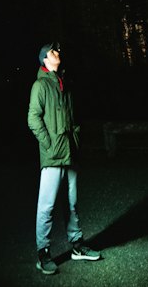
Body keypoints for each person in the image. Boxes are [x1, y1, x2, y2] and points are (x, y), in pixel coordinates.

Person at [27, 42, 101, 274]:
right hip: (52, 156)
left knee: (71, 203)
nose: (57, 53)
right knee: (46, 206)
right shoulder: (40, 85)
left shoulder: (64, 84)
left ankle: (77, 246)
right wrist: (48, 145)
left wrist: (75, 138)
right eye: (52, 52)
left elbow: (73, 118)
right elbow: (33, 119)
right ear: (44, 60)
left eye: (57, 51)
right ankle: (43, 253)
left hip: (69, 152)